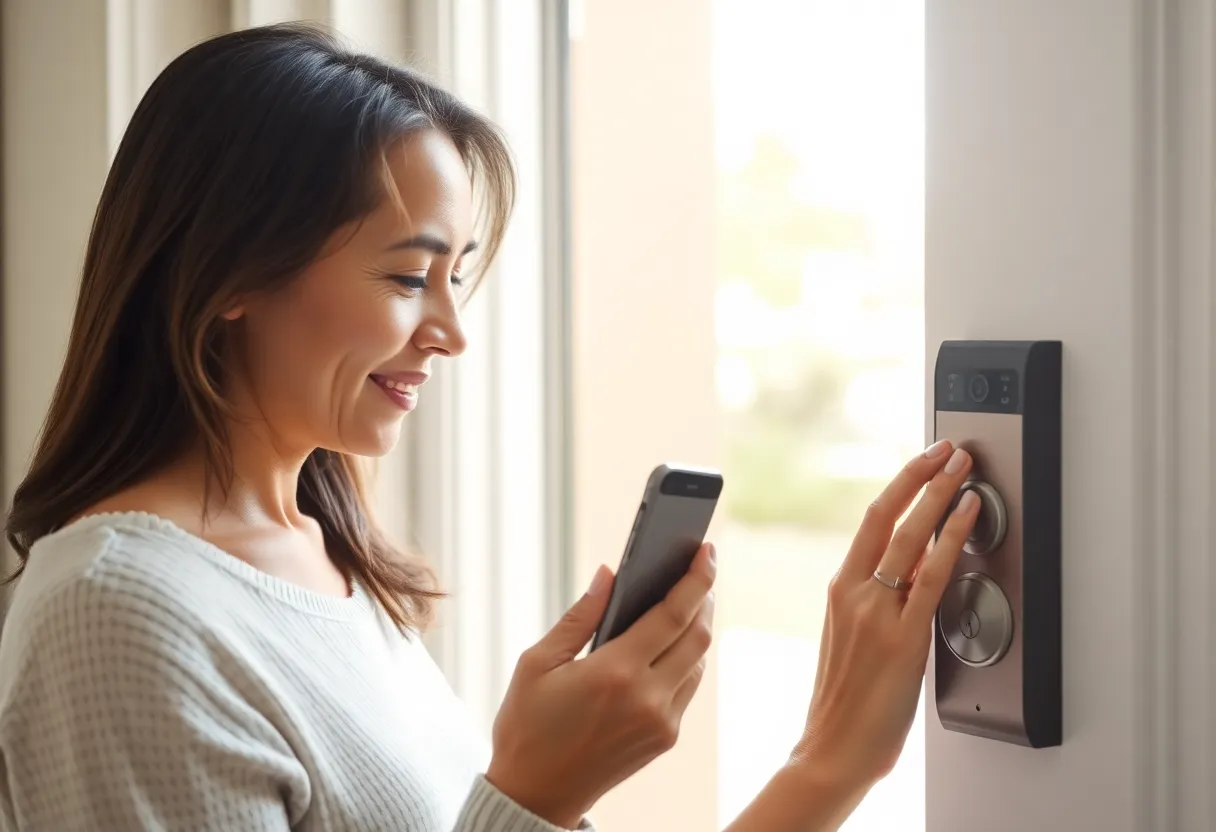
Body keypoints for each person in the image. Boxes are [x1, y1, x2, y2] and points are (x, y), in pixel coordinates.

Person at [0, 22, 980, 832]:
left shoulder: (324, 564)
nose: (451, 331)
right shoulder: (117, 611)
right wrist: (533, 794)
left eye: (456, 275)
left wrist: (831, 759)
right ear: (229, 275)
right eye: (403, 276)